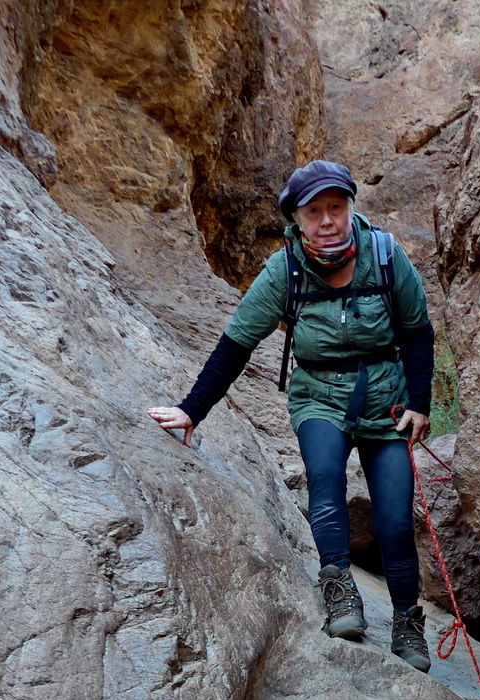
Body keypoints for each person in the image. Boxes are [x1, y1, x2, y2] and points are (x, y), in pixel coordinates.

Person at [149, 160, 435, 673]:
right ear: (296, 220)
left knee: (394, 520)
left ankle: (407, 622)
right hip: (319, 398)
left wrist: (419, 404)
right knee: (324, 482)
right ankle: (341, 596)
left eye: (336, 207)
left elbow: (416, 330)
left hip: (385, 400)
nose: (327, 219)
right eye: (314, 211)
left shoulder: (387, 258)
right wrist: (191, 411)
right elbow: (237, 342)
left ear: (350, 207)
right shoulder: (284, 271)